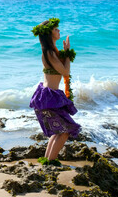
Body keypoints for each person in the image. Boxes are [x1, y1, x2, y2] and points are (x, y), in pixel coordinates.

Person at [29, 18, 81, 166]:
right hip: (48, 97)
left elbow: (60, 68)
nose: (59, 31)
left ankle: (47, 161)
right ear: (48, 33)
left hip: (48, 96)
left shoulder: (52, 51)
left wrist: (65, 53)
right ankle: (50, 163)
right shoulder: (50, 52)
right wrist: (68, 53)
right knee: (65, 131)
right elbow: (65, 71)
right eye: (56, 29)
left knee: (59, 132)